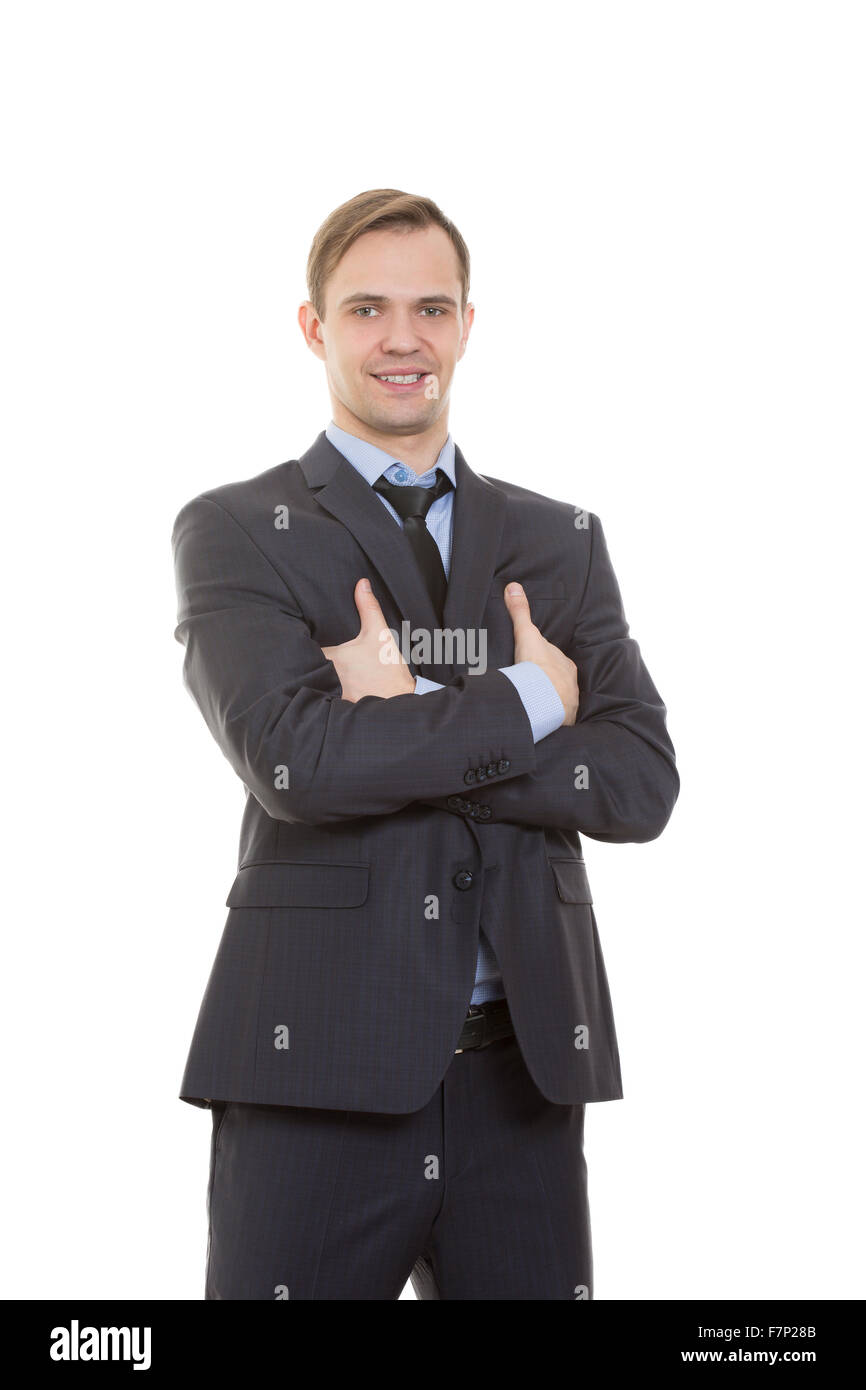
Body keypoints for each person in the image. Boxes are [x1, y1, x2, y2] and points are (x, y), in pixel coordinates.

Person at [171, 187, 679, 1300]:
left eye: (430, 309)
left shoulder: (559, 541)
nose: (402, 339)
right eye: (366, 309)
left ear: (464, 324)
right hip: (315, 1075)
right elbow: (298, 764)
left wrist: (399, 720)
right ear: (314, 327)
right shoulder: (238, 529)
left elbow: (639, 782)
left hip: (520, 1080)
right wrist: (526, 701)